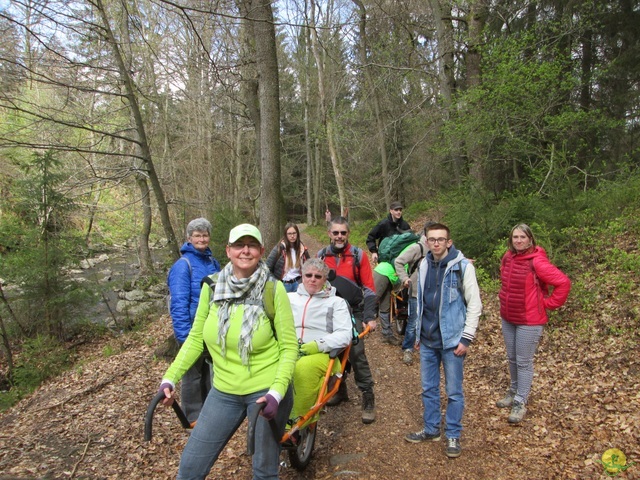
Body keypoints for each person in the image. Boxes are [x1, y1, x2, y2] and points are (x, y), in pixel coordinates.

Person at [158, 224, 298, 480]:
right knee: (189, 469)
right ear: (228, 250)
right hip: (223, 391)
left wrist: (277, 393)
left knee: (264, 472)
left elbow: (289, 347)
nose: (245, 251)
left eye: (252, 245)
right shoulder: (211, 287)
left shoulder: (273, 289)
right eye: (239, 245)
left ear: (261, 251)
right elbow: (196, 338)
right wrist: (170, 378)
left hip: (266, 391)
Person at [404, 223, 482, 459]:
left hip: (452, 341)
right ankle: (431, 429)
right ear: (426, 241)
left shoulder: (462, 267)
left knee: (454, 391)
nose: (436, 243)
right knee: (428, 388)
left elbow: (475, 304)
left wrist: (466, 338)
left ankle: (453, 435)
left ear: (449, 242)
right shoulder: (425, 263)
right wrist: (417, 333)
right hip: (427, 340)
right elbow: (421, 302)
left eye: (441, 239)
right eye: (432, 239)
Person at [497, 223, 571, 424]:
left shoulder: (537, 261)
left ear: (530, 239)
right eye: (515, 237)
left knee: (523, 361)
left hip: (529, 321)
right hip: (508, 316)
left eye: (522, 237)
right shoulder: (507, 257)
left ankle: (521, 401)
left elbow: (563, 283)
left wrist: (547, 304)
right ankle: (513, 391)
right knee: (512, 358)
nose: (518, 240)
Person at [318, 216, 378, 424]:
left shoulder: (358, 255)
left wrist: (369, 317)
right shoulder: (321, 256)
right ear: (329, 234)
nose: (339, 236)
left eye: (343, 232)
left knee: (356, 351)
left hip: (353, 310)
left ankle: (367, 395)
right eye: (336, 233)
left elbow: (370, 288)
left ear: (348, 234)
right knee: (330, 351)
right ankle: (339, 389)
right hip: (328, 311)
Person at [166, 217, 221, 424]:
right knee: (192, 376)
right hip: (191, 329)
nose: (202, 239)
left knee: (209, 371)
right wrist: (184, 336)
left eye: (205, 235)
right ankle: (193, 417)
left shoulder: (212, 262)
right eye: (197, 235)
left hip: (212, 327)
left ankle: (209, 412)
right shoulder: (183, 265)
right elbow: (178, 303)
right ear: (189, 238)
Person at [287, 258, 353, 421]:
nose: (312, 279)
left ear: (325, 279)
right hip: (290, 349)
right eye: (308, 275)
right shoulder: (289, 298)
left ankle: (298, 420)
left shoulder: (336, 302)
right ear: (302, 276)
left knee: (303, 368)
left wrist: (318, 345)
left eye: (318, 276)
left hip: (323, 354)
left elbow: (345, 333)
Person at [394, 221, 434, 364]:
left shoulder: (440, 249)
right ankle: (408, 349)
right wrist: (404, 278)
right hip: (416, 291)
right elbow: (398, 261)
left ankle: (429, 347)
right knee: (413, 322)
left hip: (433, 293)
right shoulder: (417, 248)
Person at [265, 222, 310, 293]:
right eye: (289, 234)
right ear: (285, 235)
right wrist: (276, 282)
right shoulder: (279, 248)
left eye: (294, 233)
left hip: (298, 284)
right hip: (284, 285)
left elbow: (309, 266)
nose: (292, 236)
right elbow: (267, 268)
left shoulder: (302, 249)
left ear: (297, 234)